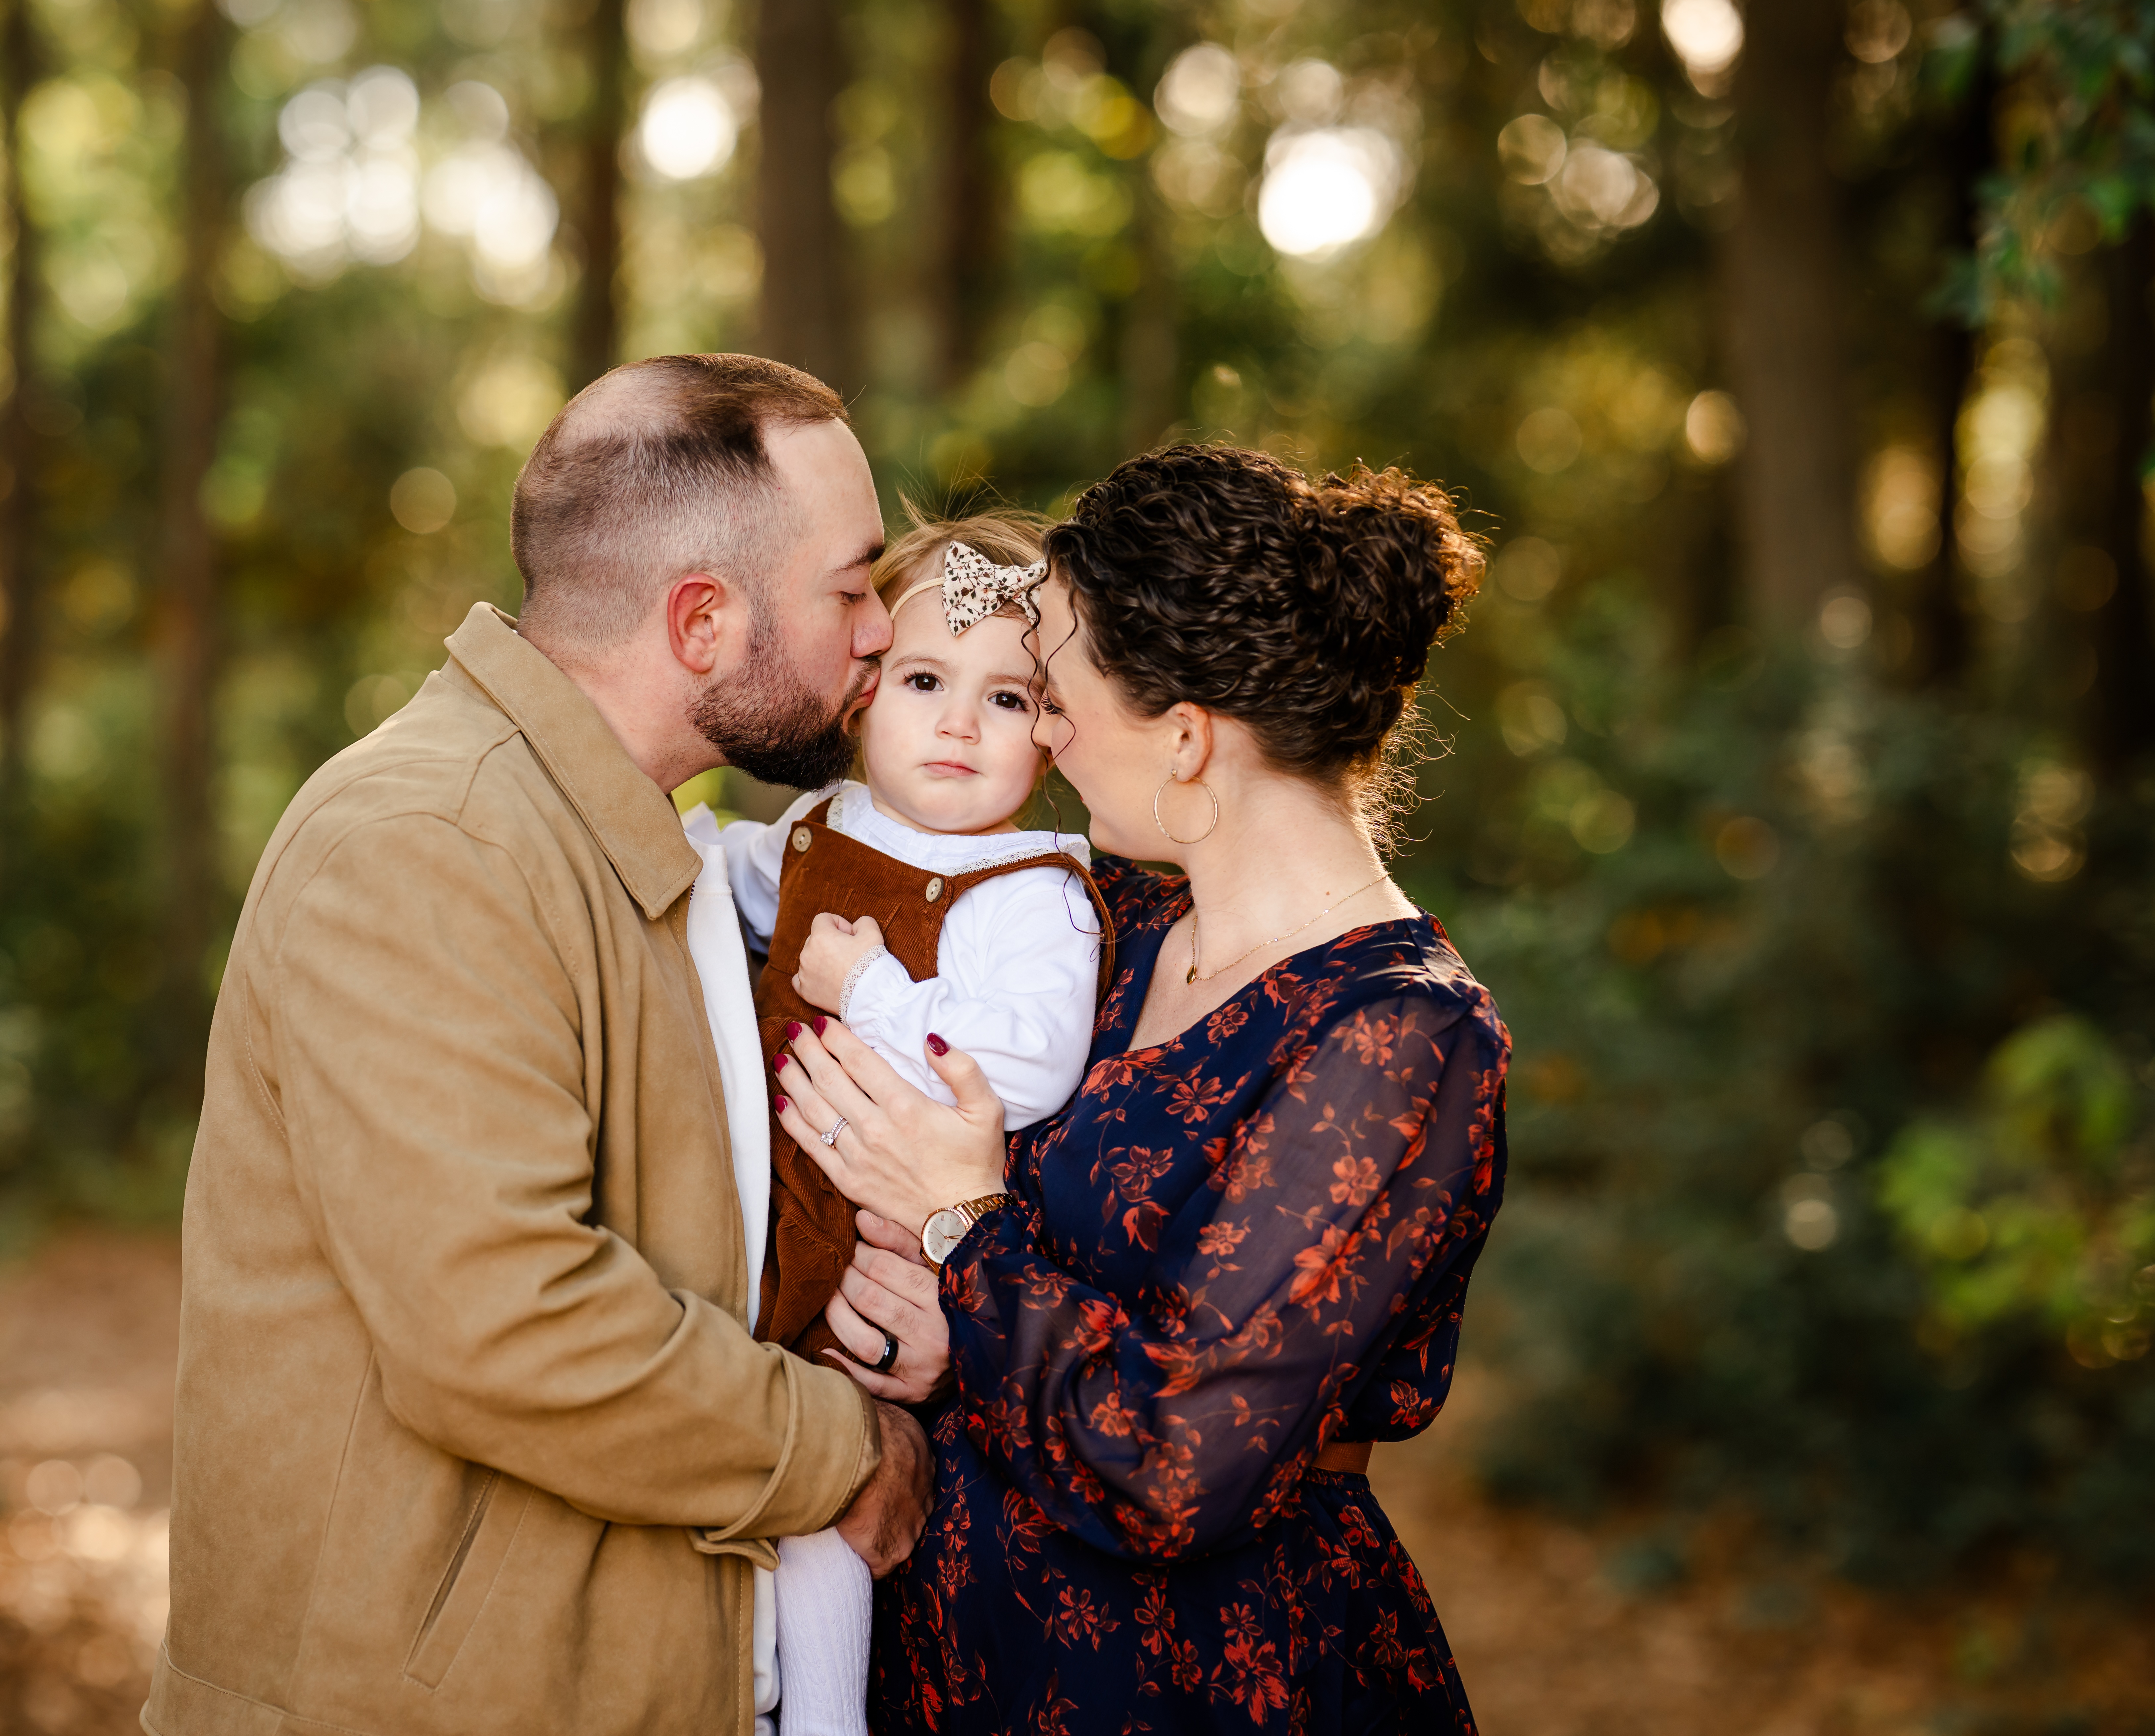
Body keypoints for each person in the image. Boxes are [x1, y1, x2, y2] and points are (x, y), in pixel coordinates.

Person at [145, 354, 933, 1736]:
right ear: (702, 621)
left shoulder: (640, 845)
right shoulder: (431, 842)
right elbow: (501, 1321)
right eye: (853, 584)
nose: (880, 629)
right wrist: (836, 1447)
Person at [769, 446, 1509, 1733]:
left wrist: (961, 1237)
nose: (1039, 730)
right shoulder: (1107, 920)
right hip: (962, 1632)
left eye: (1054, 692)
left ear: (1183, 737)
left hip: (1188, 1676)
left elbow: (1177, 1455)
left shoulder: (1398, 1035)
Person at [694, 513, 1111, 1736]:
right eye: (926, 682)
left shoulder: (1033, 886)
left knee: (829, 1497)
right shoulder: (824, 824)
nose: (956, 724)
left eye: (1005, 698)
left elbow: (1028, 1064)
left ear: (1050, 731)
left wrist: (873, 992)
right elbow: (721, 879)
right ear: (866, 694)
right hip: (763, 1212)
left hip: (872, 1246)